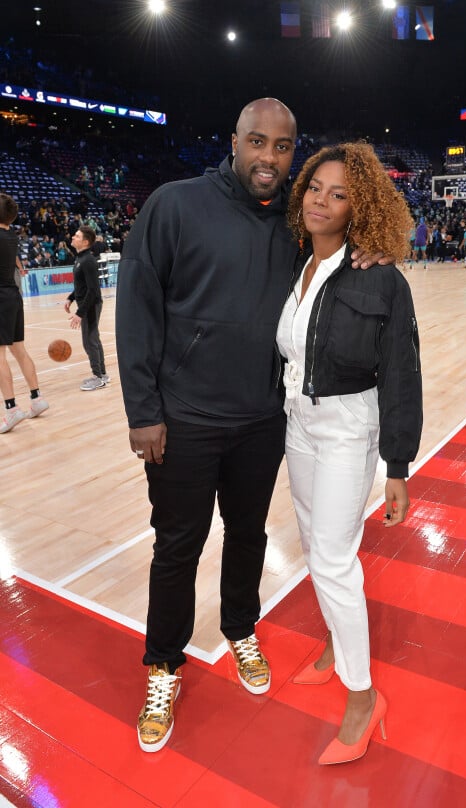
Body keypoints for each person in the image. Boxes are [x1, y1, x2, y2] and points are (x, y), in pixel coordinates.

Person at [115, 98, 388, 754]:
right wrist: (143, 412)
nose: (269, 158)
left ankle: (241, 629)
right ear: (233, 141)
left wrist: (373, 250)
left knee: (247, 536)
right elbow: (137, 306)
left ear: (296, 151)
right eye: (257, 142)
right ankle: (163, 667)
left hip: (264, 418)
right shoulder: (175, 205)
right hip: (181, 422)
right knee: (176, 547)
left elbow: (349, 239)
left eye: (283, 146)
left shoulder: (296, 221)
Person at [277, 143, 422, 765]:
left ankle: (363, 698)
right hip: (297, 422)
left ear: (359, 208)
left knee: (334, 560)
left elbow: (401, 372)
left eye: (339, 194)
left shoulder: (380, 276)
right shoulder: (296, 263)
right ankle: (338, 647)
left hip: (346, 429)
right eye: (315, 187)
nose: (321, 200)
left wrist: (397, 464)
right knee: (314, 543)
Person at [0, 193, 49, 434]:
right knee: (19, 350)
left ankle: (11, 409)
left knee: (0, 355)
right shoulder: (11, 236)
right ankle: (37, 398)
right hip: (13, 296)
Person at [64, 226, 109, 390]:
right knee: (93, 339)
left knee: (89, 341)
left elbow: (92, 290)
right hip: (87, 303)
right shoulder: (80, 259)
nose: (73, 237)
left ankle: (97, 377)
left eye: (76, 236)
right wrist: (71, 298)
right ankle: (102, 374)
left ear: (85, 241)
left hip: (90, 304)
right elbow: (82, 287)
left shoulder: (88, 261)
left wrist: (80, 313)